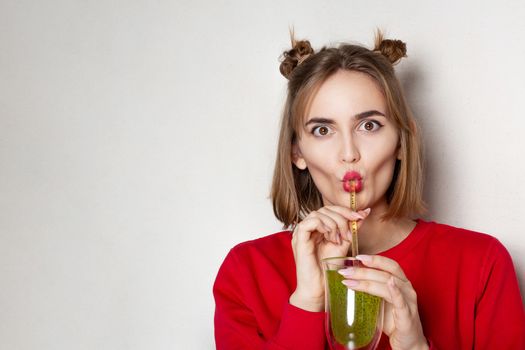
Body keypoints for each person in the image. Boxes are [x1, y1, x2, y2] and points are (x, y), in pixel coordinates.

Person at [213, 30, 525, 349]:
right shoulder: (246, 272)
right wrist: (308, 300)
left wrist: (416, 346)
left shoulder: (482, 263)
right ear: (297, 153)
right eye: (323, 130)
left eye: (369, 126)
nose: (349, 153)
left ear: (402, 141)